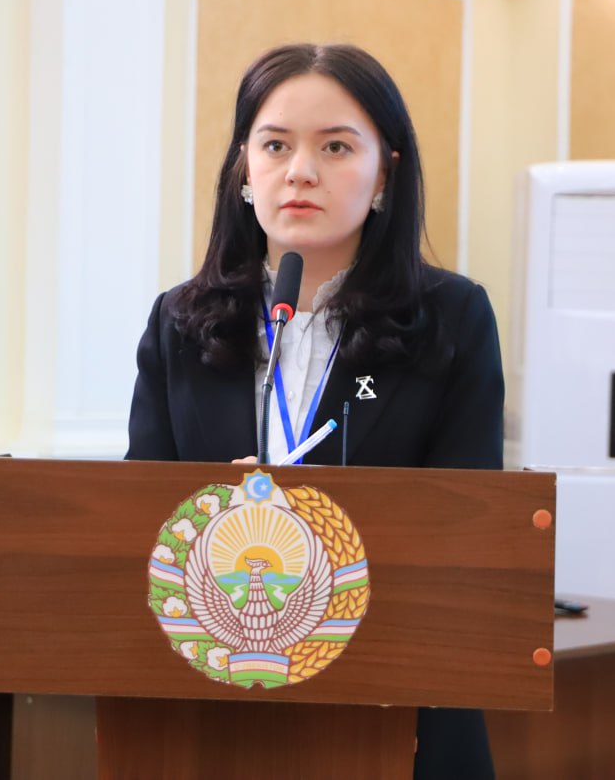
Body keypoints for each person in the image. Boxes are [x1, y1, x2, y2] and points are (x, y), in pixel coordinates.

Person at [126, 43, 503, 779]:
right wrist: (210, 519)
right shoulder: (180, 321)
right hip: (214, 705)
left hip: (397, 702)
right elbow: (139, 518)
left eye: (335, 147)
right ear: (244, 170)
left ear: (385, 173)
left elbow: (467, 528)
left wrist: (312, 523)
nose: (300, 171)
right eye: (275, 145)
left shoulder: (451, 317)